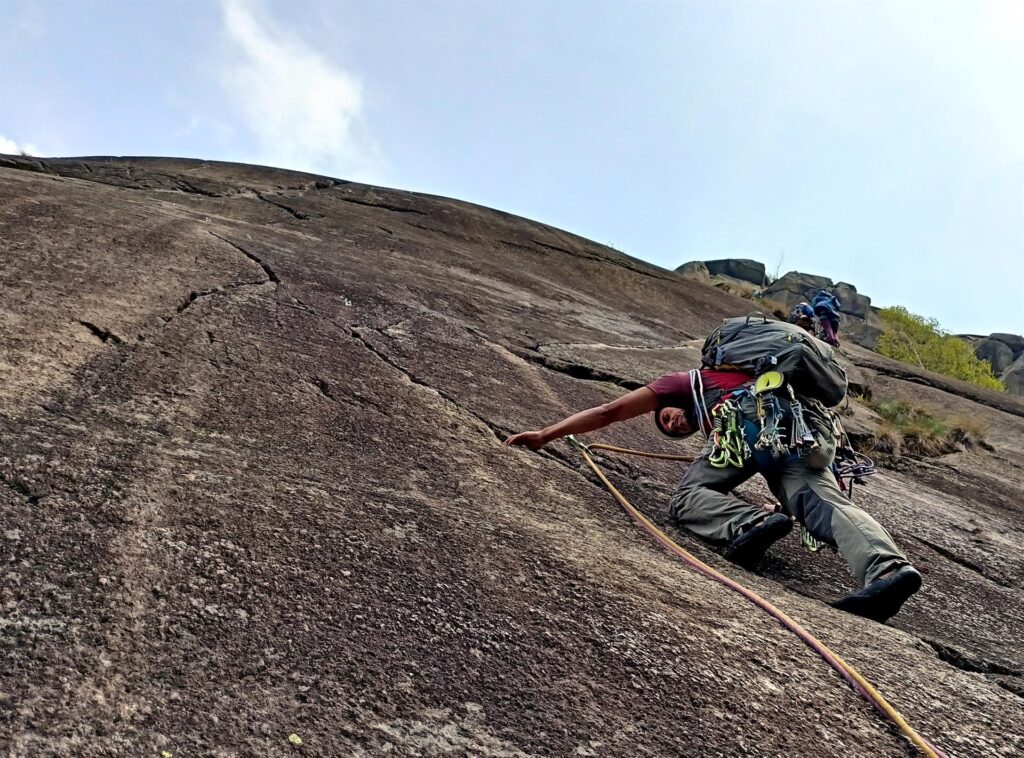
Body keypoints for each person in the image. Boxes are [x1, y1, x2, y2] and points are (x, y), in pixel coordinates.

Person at [505, 367, 922, 623]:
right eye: (673, 431)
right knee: (822, 503)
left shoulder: (685, 381)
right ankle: (887, 571)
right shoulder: (743, 387)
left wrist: (546, 434)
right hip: (797, 426)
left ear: (670, 401)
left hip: (748, 418)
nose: (672, 424)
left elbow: (608, 412)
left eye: (667, 419)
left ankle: (752, 524)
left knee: (687, 497)